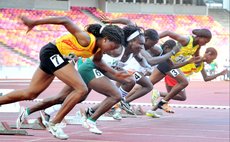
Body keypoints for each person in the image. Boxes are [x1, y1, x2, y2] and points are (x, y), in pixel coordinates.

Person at [0, 15, 129, 140]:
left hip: (56, 57)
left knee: (31, 93)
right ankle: (55, 123)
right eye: (113, 47)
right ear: (105, 39)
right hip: (52, 52)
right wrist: (34, 22)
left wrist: (115, 73)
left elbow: (98, 62)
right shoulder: (87, 39)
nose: (112, 51)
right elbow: (65, 20)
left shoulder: (99, 49)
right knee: (81, 89)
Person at [100, 16, 180, 114]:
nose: (150, 47)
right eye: (151, 44)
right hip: (126, 69)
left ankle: (115, 105)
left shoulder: (140, 43)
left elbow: (127, 21)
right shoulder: (137, 43)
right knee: (123, 89)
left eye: (154, 44)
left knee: (129, 88)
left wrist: (111, 20)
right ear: (145, 39)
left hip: (120, 69)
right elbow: (150, 60)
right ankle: (117, 104)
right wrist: (172, 53)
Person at [144, 28, 212, 116]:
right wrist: (153, 41)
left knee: (145, 86)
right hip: (167, 63)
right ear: (199, 37)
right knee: (184, 82)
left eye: (207, 43)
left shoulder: (197, 46)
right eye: (205, 41)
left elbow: (196, 57)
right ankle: (163, 102)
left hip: (171, 66)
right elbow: (168, 32)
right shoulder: (186, 40)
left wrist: (200, 59)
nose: (205, 44)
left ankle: (152, 110)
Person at [150, 47, 227, 105]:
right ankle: (158, 94)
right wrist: (202, 56)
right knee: (180, 96)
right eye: (213, 58)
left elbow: (206, 78)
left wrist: (219, 74)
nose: (212, 61)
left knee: (171, 96)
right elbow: (196, 55)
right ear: (209, 54)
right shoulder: (198, 58)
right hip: (175, 75)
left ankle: (154, 108)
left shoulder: (202, 65)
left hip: (175, 76)